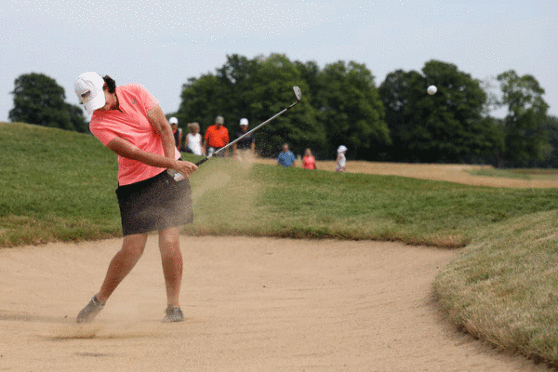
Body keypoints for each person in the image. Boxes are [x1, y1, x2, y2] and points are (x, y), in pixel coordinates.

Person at [73, 72, 198, 323]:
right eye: (93, 105)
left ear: (108, 87)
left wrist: (171, 167)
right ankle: (99, 300)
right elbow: (134, 152)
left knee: (170, 239)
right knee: (133, 249)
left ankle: (173, 306)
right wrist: (171, 163)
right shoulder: (97, 124)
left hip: (168, 171)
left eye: (101, 99)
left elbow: (163, 128)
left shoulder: (136, 92)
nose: (101, 107)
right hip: (134, 183)